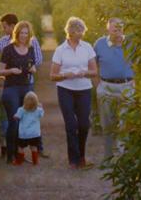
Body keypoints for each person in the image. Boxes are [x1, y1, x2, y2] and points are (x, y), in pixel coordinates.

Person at [50, 16, 98, 169]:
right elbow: (53, 75)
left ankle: (81, 155)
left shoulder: (87, 47)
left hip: (84, 89)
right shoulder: (60, 50)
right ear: (70, 32)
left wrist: (84, 72)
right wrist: (65, 75)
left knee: (84, 124)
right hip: (65, 90)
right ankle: (74, 160)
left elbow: (94, 71)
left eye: (82, 30)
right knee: (71, 125)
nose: (81, 34)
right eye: (78, 31)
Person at [0, 20, 42, 163]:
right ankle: (11, 155)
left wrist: (33, 69)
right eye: (21, 33)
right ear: (16, 33)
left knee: (26, 121)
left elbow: (33, 66)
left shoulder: (30, 49)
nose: (24, 35)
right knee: (14, 121)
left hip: (26, 87)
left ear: (29, 34)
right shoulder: (8, 49)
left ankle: (20, 154)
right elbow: (0, 71)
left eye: (26, 33)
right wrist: (11, 70)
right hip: (11, 88)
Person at [94, 17, 135, 161]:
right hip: (106, 88)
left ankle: (122, 156)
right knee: (107, 124)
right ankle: (108, 156)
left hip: (126, 87)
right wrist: (99, 84)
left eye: (120, 28)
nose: (118, 32)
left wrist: (135, 82)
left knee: (125, 123)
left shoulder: (130, 43)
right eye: (114, 29)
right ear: (108, 30)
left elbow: (139, 63)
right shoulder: (100, 44)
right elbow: (94, 65)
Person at [13, 91, 45, 165]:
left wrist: (14, 116)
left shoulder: (21, 110)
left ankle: (19, 161)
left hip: (24, 134)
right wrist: (41, 107)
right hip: (35, 134)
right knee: (34, 147)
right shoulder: (38, 110)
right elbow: (42, 115)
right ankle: (35, 161)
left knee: (20, 147)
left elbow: (16, 117)